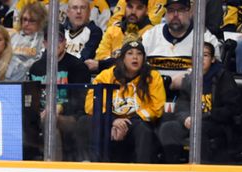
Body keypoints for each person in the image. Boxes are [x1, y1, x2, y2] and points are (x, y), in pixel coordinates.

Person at [157, 43, 240, 163]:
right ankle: (172, 166)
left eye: (205, 55)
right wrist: (186, 118)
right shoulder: (189, 78)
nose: (200, 59)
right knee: (168, 128)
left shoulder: (223, 77)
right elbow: (182, 105)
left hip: (217, 123)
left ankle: (203, 169)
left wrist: (203, 117)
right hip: (193, 122)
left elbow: (231, 108)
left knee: (199, 129)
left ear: (212, 59)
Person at [84, 39, 165, 162]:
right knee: (83, 122)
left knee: (143, 131)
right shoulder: (106, 76)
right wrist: (112, 120)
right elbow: (90, 105)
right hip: (109, 121)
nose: (135, 57)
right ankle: (89, 166)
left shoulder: (153, 76)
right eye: (130, 53)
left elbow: (156, 107)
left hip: (136, 122)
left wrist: (127, 123)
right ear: (122, 58)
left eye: (139, 53)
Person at [28, 27, 91, 161]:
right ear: (44, 43)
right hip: (41, 116)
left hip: (71, 117)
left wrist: (59, 107)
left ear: (65, 42)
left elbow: (80, 100)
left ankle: (53, 165)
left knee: (50, 119)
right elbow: (30, 98)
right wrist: (38, 111)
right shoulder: (35, 68)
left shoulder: (77, 66)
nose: (55, 43)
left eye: (59, 39)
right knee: (45, 120)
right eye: (50, 39)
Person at [141, 0, 221, 79]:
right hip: (155, 90)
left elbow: (216, 73)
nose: (175, 15)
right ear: (165, 13)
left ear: (190, 12)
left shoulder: (206, 38)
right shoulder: (150, 36)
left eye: (181, 10)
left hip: (191, 91)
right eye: (171, 10)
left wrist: (185, 82)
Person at [89, 0, 152, 73]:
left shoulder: (151, 33)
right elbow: (100, 59)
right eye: (130, 6)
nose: (133, 12)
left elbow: (144, 64)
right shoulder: (113, 30)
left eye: (139, 8)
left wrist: (108, 63)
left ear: (146, 10)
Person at [10, 2, 46, 71]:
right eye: (25, 19)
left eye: (32, 21)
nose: (26, 24)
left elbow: (40, 61)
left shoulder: (44, 40)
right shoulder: (13, 37)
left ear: (40, 21)